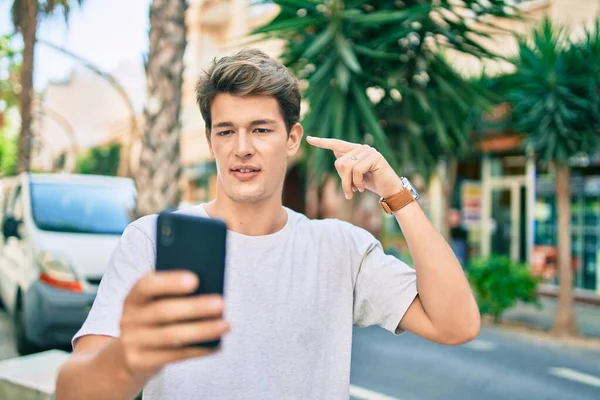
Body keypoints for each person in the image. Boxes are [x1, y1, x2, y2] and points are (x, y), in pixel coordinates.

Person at [55, 48, 480, 400]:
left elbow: (456, 324)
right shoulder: (149, 240)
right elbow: (75, 390)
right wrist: (129, 355)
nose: (242, 148)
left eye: (260, 129)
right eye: (226, 132)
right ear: (210, 142)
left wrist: (396, 193)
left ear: (292, 139)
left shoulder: (339, 247)